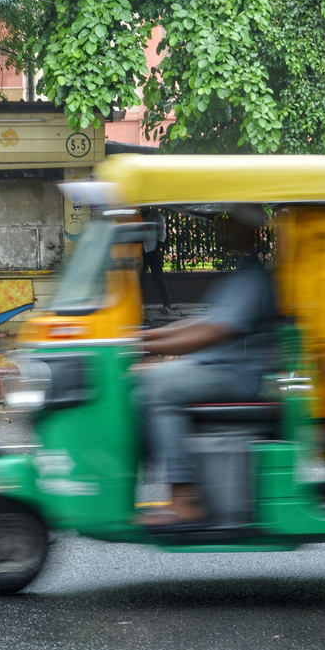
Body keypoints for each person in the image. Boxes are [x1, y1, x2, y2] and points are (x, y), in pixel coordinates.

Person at [134, 208, 279, 527]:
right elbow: (202, 321)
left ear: (249, 233)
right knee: (135, 383)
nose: (222, 231)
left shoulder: (252, 277)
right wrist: (146, 337)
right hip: (219, 366)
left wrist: (146, 346)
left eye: (232, 225)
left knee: (156, 389)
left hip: (235, 375)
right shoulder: (239, 273)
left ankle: (185, 499)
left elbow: (215, 331)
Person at [140, 207, 172, 314]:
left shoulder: (157, 217)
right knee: (138, 278)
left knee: (159, 277)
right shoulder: (137, 215)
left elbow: (162, 235)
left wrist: (157, 250)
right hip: (139, 251)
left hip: (152, 250)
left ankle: (166, 304)